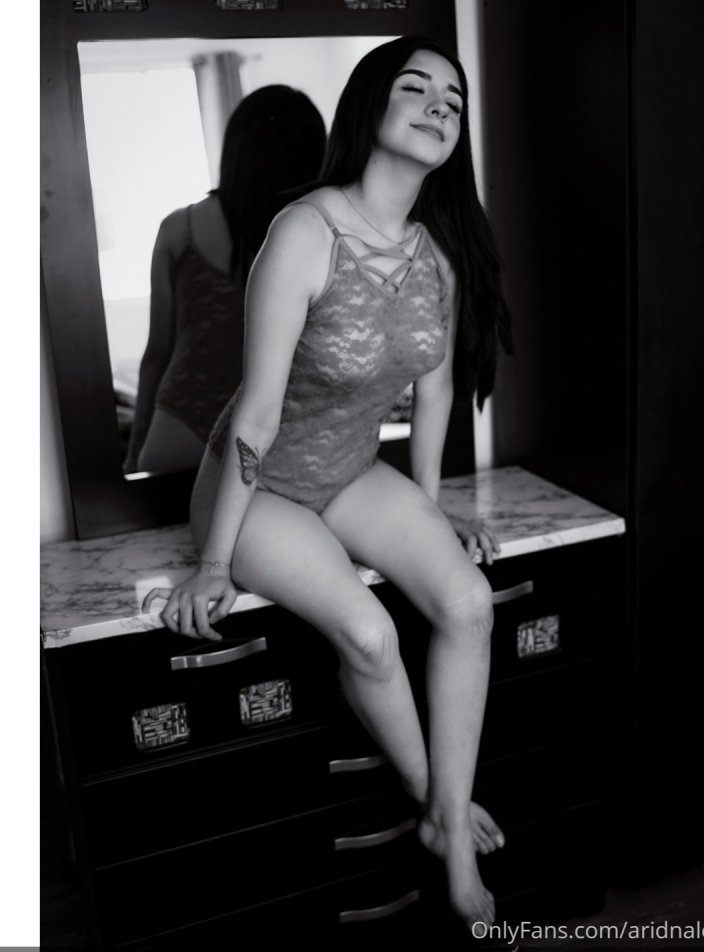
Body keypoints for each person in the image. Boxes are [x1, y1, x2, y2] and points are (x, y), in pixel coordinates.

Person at [144, 36, 513, 930]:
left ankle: (443, 814)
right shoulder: (304, 232)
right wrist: (213, 564)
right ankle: (444, 816)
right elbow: (256, 414)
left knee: (469, 602)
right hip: (258, 487)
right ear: (369, 105)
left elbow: (433, 396)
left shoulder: (437, 256)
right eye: (415, 87)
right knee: (370, 633)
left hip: (350, 471)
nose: (439, 104)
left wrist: (429, 511)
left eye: (454, 98)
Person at [125, 86, 326, 474]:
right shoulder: (318, 234)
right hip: (278, 432)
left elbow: (157, 353)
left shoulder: (180, 228)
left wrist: (133, 456)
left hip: (182, 423)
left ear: (235, 147)